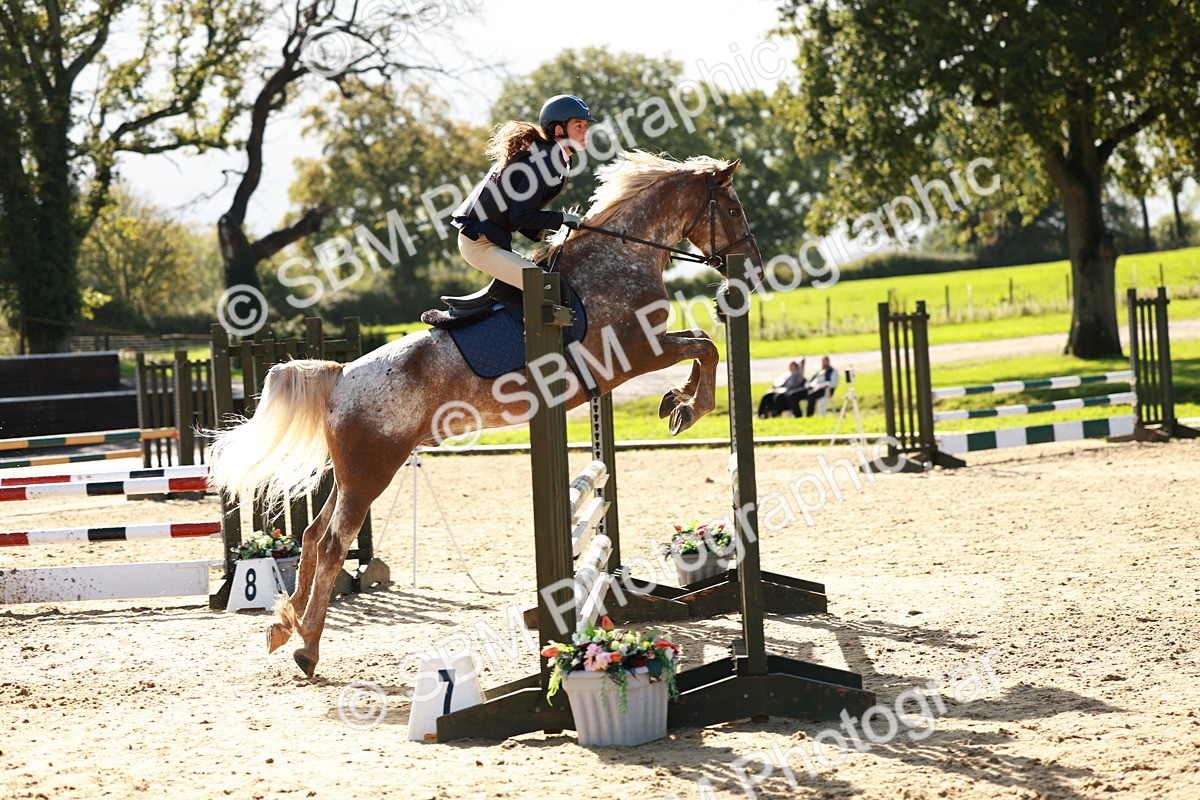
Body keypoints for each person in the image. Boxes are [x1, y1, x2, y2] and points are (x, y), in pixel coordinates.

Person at [451, 95, 595, 289]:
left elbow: (520, 212)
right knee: (544, 285)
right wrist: (561, 218)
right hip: (479, 243)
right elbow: (520, 215)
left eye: (586, 125)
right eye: (578, 125)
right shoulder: (545, 161)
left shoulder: (555, 159)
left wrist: (556, 229)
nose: (585, 131)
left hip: (491, 240)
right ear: (559, 130)